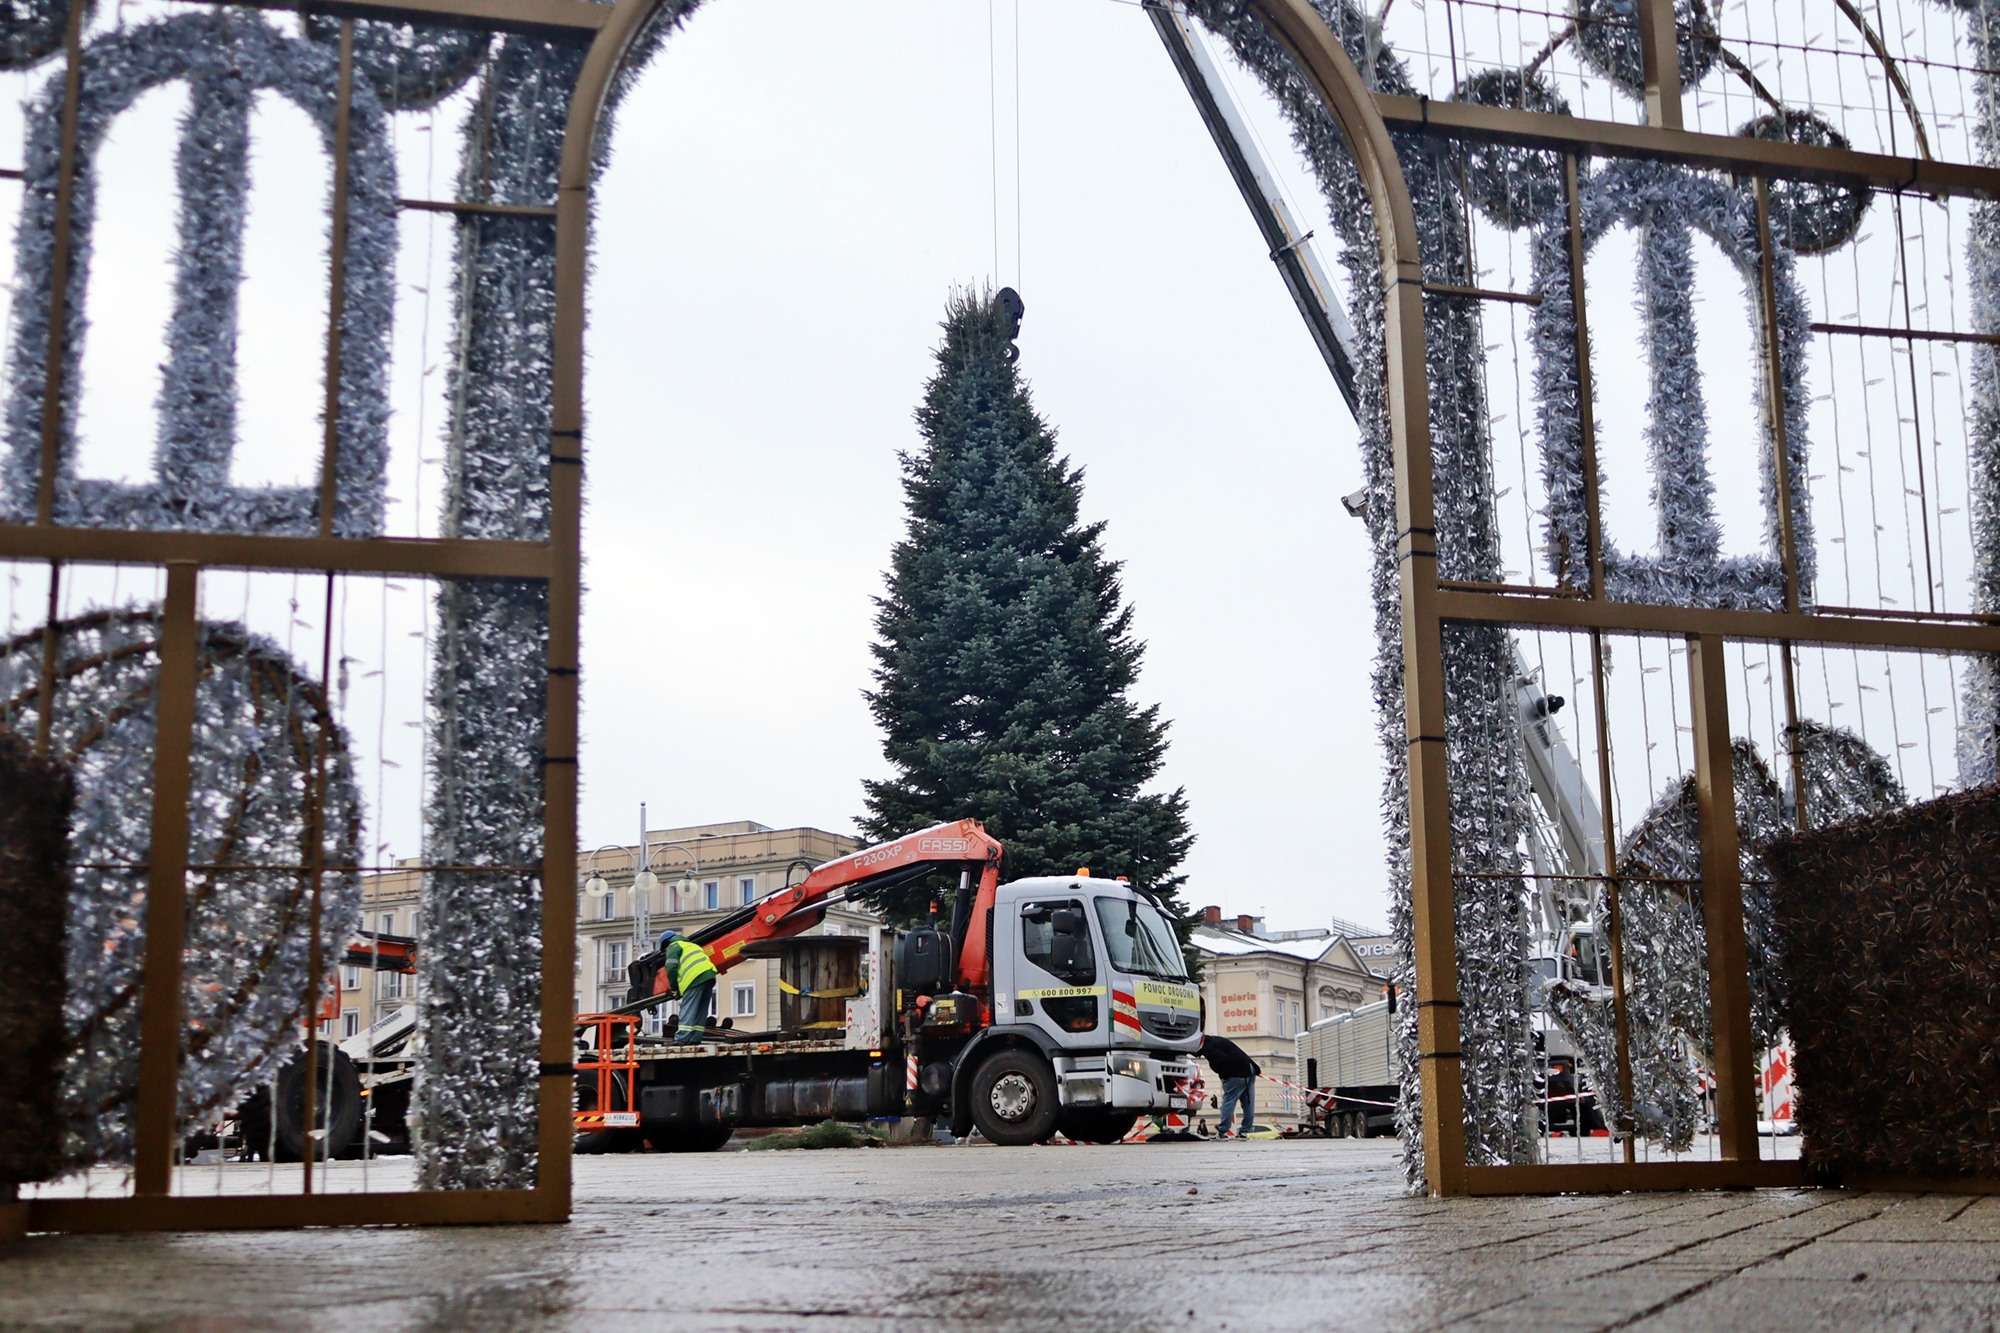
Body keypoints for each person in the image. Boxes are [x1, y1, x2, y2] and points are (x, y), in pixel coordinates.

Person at [656, 929, 718, 1044]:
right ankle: (695, 1038)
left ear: (665, 943)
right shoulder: (692, 945)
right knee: (701, 1009)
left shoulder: (673, 946)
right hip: (709, 976)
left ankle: (682, 1038)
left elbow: (671, 968)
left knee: (688, 1007)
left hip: (695, 977)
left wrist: (675, 988)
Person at [1200, 1033, 1260, 1139]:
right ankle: (1244, 1131)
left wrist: (1223, 1074)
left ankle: (1222, 1130)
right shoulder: (1220, 1040)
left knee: (1229, 1101)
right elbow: (1240, 1052)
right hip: (1250, 1069)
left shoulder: (1208, 1047)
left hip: (1234, 1074)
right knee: (1248, 1103)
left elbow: (1218, 1062)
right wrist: (1255, 1066)